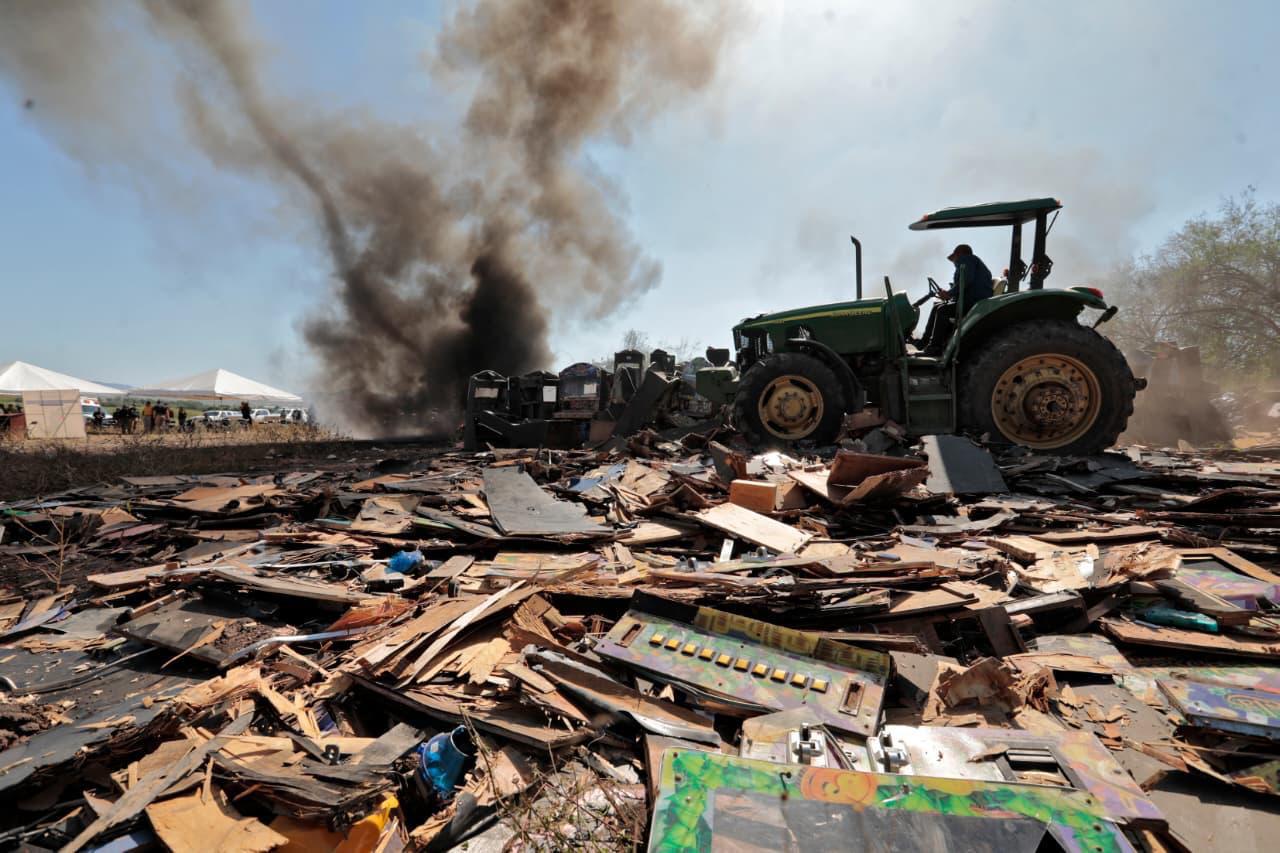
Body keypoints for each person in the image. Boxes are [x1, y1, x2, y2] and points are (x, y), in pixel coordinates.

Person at [921, 244, 994, 356]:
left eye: (954, 259)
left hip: (973, 302)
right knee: (937, 306)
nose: (955, 263)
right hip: (971, 300)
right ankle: (924, 342)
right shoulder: (974, 263)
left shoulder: (967, 259)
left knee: (942, 310)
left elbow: (966, 280)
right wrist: (949, 293)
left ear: (959, 254)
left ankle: (934, 347)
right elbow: (963, 284)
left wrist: (949, 293)